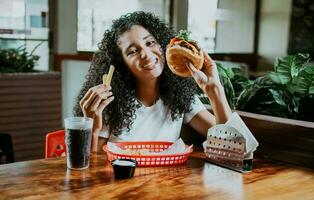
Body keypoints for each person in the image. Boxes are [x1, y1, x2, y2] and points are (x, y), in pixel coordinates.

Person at [74, 11, 232, 152]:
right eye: (133, 51)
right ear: (122, 64)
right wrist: (91, 125)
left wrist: (215, 91)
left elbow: (231, 145)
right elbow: (91, 168)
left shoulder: (181, 97)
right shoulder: (109, 104)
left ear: (163, 45)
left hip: (166, 183)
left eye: (150, 43)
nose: (146, 54)